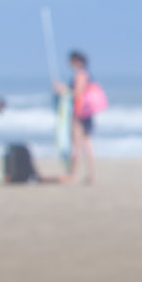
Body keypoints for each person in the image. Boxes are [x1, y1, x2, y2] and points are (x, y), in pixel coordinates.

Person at [53, 50, 106, 184]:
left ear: (77, 61)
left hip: (80, 113)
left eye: (71, 60)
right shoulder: (85, 74)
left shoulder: (81, 74)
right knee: (85, 143)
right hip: (85, 113)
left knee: (79, 145)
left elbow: (77, 93)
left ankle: (75, 174)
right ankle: (88, 174)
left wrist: (62, 89)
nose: (69, 63)